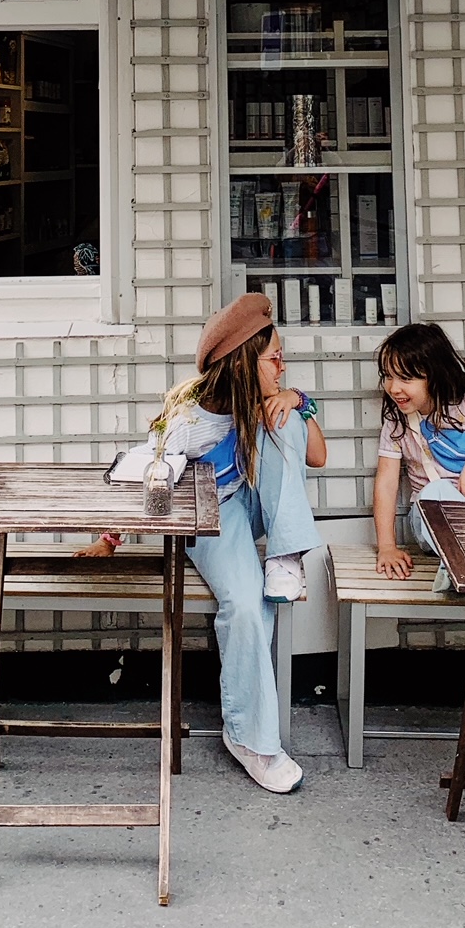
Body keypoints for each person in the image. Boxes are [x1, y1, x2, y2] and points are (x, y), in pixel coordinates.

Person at [83, 292, 326, 793]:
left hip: (263, 504)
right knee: (246, 604)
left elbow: (316, 456)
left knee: (283, 425)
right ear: (241, 363)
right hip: (212, 515)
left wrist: (297, 401)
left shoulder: (268, 401)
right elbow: (151, 477)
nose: (282, 366)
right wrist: (109, 540)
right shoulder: (189, 421)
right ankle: (252, 740)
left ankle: (286, 555)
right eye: (274, 358)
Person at [372, 320, 465, 580]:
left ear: (435, 374)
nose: (394, 388)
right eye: (388, 376)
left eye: (405, 378)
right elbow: (386, 484)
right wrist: (387, 547)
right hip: (430, 521)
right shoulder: (397, 422)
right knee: (436, 492)